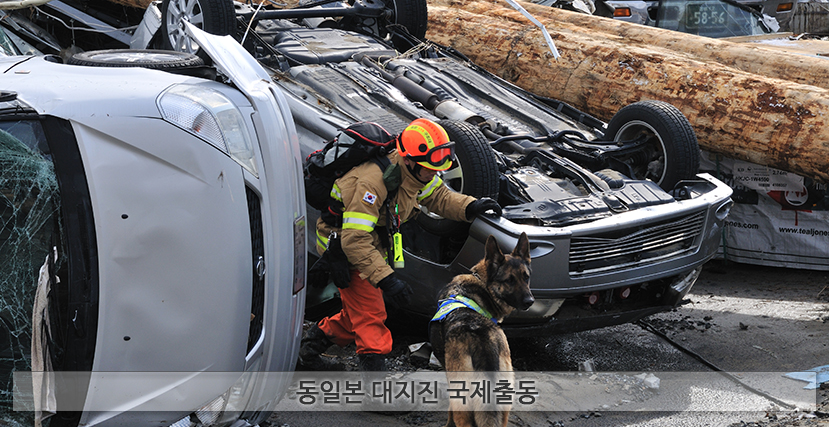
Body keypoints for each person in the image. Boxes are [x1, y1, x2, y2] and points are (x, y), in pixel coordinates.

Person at [299, 118, 502, 372]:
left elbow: (438, 195)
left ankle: (309, 350)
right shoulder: (372, 182)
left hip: (369, 245)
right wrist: (386, 279)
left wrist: (470, 206)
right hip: (345, 249)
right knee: (372, 317)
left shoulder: (415, 174)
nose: (435, 173)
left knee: (358, 314)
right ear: (408, 160)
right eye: (430, 167)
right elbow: (355, 239)